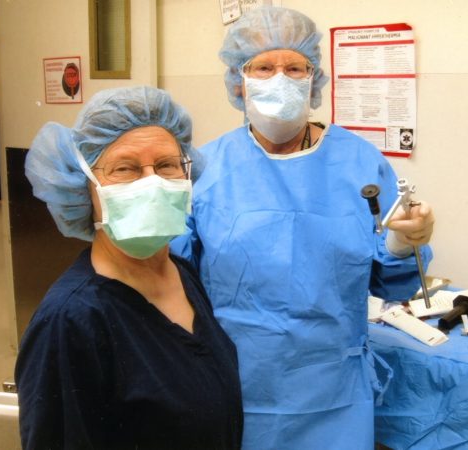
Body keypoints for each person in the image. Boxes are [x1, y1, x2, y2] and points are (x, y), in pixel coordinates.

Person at [170, 6, 435, 450]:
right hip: (235, 384)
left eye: (295, 67)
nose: (280, 78)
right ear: (239, 81)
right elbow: (175, 283)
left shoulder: (360, 164)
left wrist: (403, 244)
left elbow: (394, 285)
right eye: (263, 66)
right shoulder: (207, 167)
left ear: (314, 80)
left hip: (333, 391)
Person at [15, 86, 243, 450]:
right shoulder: (71, 321)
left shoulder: (179, 273)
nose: (152, 183)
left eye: (167, 165)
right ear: (83, 187)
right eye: (125, 168)